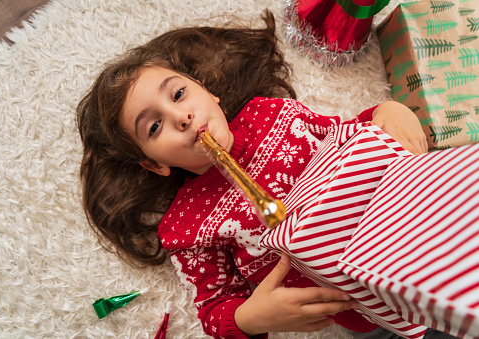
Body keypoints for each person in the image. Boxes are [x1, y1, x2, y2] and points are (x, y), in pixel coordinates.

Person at [76, 10, 429, 339]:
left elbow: (348, 135)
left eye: (179, 94)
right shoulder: (185, 226)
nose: (181, 117)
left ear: (209, 93)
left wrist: (390, 111)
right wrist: (252, 318)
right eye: (154, 126)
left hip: (415, 224)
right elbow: (213, 305)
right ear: (154, 164)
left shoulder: (271, 113)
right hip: (370, 310)